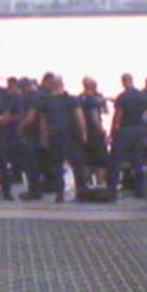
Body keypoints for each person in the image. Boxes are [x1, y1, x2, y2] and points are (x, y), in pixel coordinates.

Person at [34, 74, 89, 203]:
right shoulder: (72, 99)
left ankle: (60, 194)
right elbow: (79, 117)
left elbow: (43, 124)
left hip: (55, 137)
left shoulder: (46, 102)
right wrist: (84, 134)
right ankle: (80, 192)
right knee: (77, 165)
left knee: (57, 166)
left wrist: (44, 140)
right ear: (62, 84)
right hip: (71, 136)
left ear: (53, 85)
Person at [106, 73, 147, 199]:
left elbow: (118, 116)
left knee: (115, 161)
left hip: (125, 130)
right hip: (139, 130)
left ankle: (112, 189)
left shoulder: (122, 97)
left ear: (123, 82)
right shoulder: (142, 96)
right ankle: (140, 191)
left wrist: (112, 133)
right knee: (138, 161)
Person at [79, 77, 109, 186]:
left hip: (83, 134)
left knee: (86, 161)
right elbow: (96, 118)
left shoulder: (80, 98)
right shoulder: (93, 100)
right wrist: (102, 133)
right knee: (100, 162)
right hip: (95, 134)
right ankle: (100, 186)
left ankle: (85, 187)